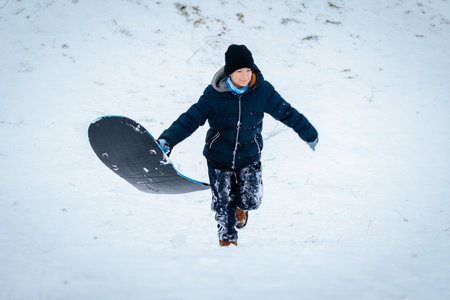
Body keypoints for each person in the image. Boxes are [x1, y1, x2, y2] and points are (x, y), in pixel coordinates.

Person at [158, 44, 318, 247]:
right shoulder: (213, 95)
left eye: (248, 71)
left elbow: (287, 112)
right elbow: (189, 119)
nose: (244, 76)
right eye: (239, 71)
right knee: (223, 206)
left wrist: (308, 131)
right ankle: (227, 246)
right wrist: (167, 141)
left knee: (252, 200)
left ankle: (241, 206)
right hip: (218, 157)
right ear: (229, 72)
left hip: (249, 155)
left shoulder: (262, 91)